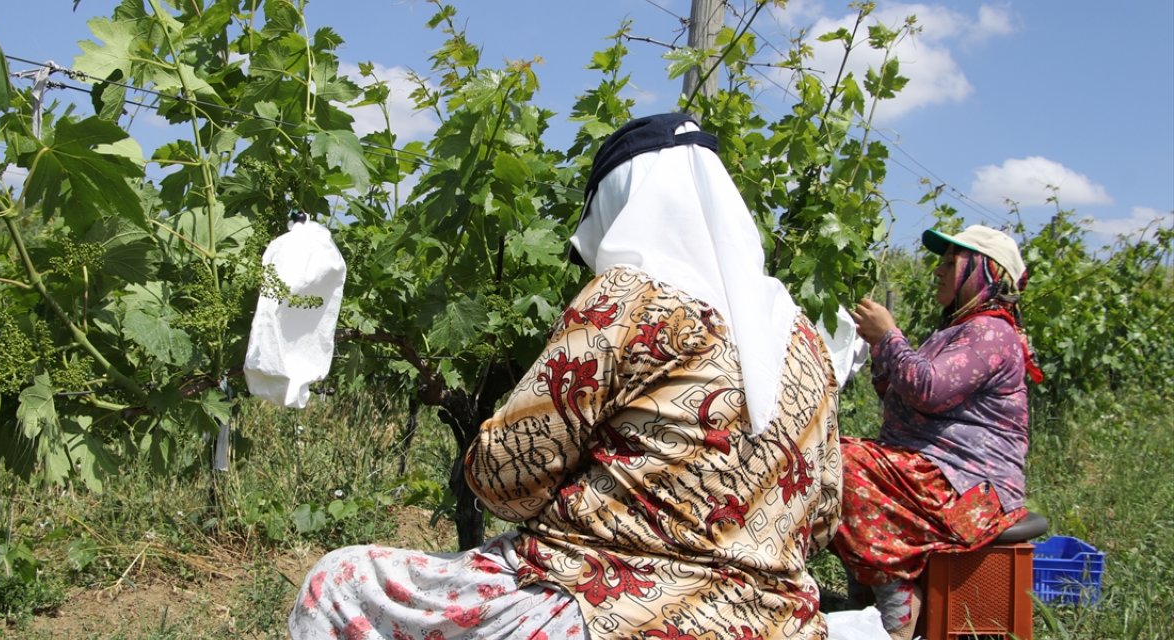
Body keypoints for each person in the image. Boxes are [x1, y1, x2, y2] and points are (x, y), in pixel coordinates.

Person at [288, 113, 843, 639]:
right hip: (778, 622)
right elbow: (822, 520)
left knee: (341, 580)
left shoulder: (633, 297)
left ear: (621, 205)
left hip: (617, 608)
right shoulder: (806, 344)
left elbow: (504, 475)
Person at [831, 225, 1043, 639]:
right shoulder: (957, 331)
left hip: (971, 490)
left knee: (845, 464)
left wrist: (889, 336)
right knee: (829, 458)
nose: (939, 271)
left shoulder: (991, 331)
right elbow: (898, 389)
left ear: (985, 270)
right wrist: (879, 347)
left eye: (952, 262)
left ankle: (892, 603)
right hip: (936, 474)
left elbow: (928, 389)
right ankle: (870, 593)